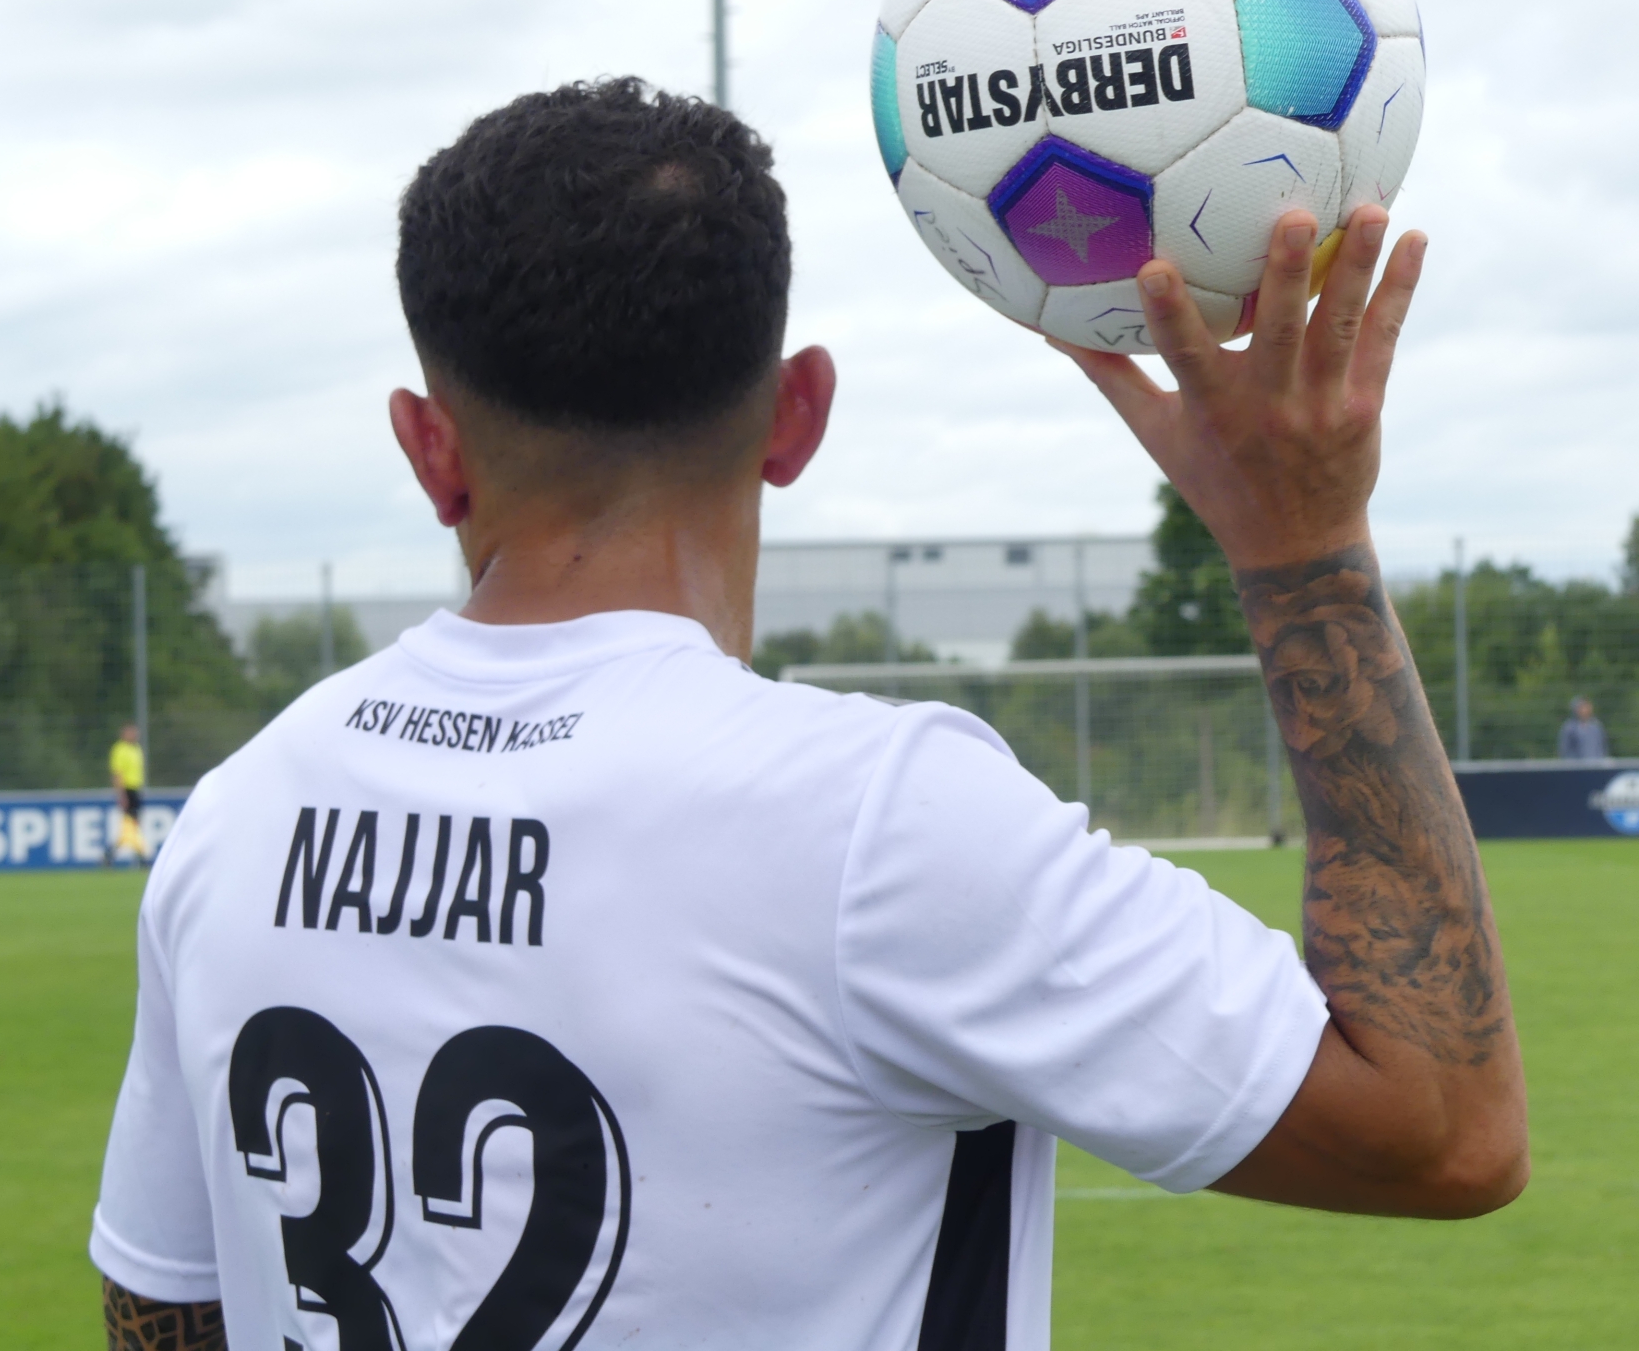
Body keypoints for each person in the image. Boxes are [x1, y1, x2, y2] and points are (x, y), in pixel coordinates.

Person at [90, 80, 1526, 1351]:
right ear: (799, 416)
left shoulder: (235, 821)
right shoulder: (881, 827)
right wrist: (1301, 544)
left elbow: (163, 1306)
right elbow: (1444, 1129)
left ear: (428, 448)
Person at [107, 724, 150, 864]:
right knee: (130, 827)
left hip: (136, 790)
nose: (135, 735)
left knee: (133, 827)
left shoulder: (137, 749)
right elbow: (117, 773)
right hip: (127, 790)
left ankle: (112, 855)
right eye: (131, 732)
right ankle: (140, 857)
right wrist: (121, 795)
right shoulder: (120, 749)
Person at [1558, 696, 1610, 760]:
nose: (1585, 710)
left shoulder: (1596, 726)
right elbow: (1564, 749)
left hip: (1596, 763)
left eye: (1586, 707)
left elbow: (1603, 746)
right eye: (1582, 707)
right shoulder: (1569, 727)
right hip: (1576, 764)